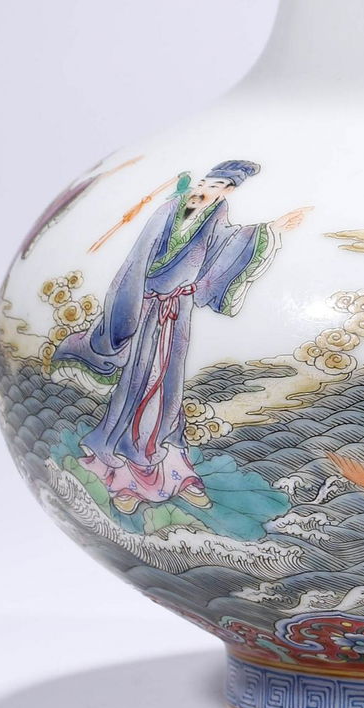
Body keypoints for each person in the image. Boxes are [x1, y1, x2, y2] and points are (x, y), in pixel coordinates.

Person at [55, 161, 308, 531]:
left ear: (226, 192)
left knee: (169, 387)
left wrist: (269, 230)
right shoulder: (168, 211)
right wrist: (128, 310)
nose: (205, 190)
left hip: (178, 313)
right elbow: (136, 262)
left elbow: (226, 247)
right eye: (205, 182)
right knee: (141, 383)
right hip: (147, 310)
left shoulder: (215, 216)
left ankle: (172, 468)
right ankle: (126, 471)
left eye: (216, 186)